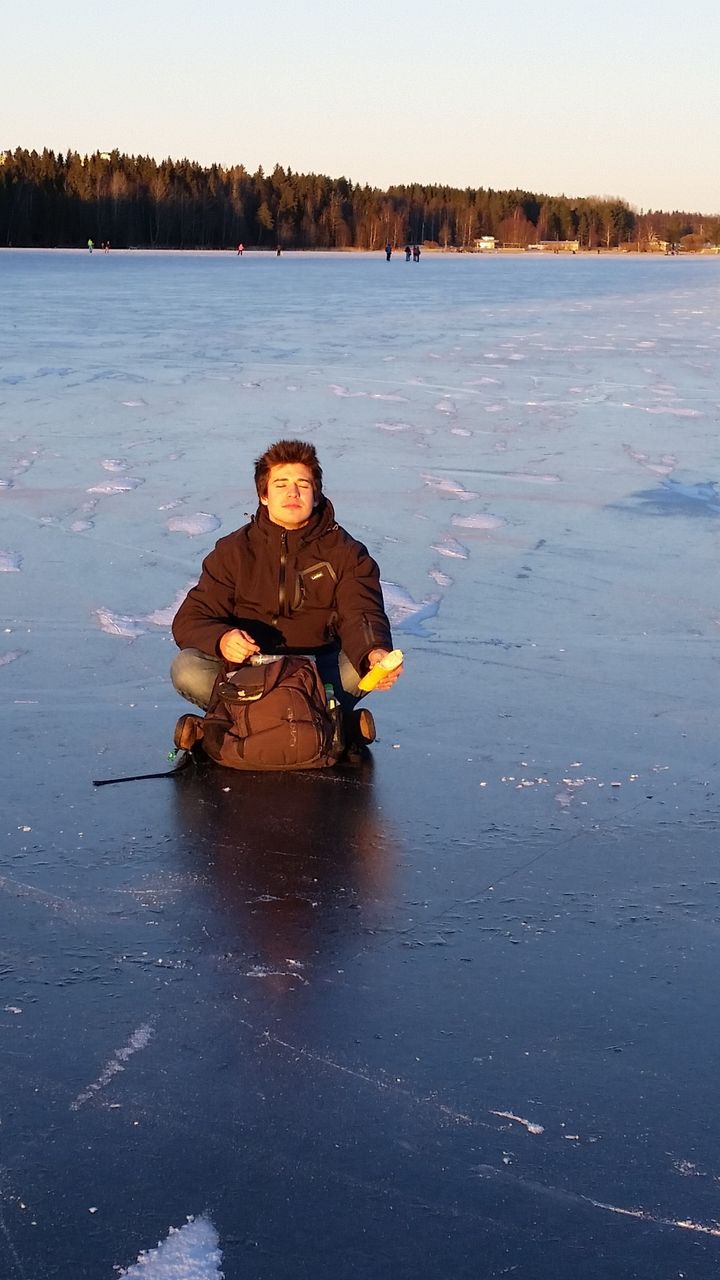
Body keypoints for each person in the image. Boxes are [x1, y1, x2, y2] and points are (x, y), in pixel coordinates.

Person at [171, 439, 403, 752]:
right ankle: (331, 725)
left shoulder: (346, 553)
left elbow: (361, 612)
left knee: (357, 666)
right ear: (264, 495)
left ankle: (230, 726)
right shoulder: (233, 551)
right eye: (281, 484)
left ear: (316, 493)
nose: (292, 493)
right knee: (187, 668)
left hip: (319, 672)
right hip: (247, 673)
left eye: (302, 484)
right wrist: (222, 639)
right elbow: (190, 619)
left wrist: (374, 652)